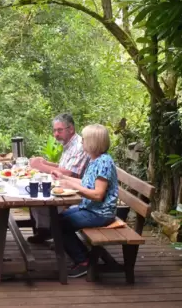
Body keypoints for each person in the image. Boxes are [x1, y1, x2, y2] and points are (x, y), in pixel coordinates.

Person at [51, 124, 119, 278]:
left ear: (93, 142)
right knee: (57, 219)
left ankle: (83, 262)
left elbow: (97, 195)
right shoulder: (95, 160)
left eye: (84, 140)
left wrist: (73, 188)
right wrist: (63, 178)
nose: (81, 142)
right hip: (91, 208)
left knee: (59, 225)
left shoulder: (104, 163)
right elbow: (85, 183)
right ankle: (84, 256)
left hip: (100, 213)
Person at [28, 113, 90, 244]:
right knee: (33, 196)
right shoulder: (69, 144)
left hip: (76, 192)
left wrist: (40, 166)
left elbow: (69, 173)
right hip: (66, 186)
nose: (56, 134)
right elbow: (63, 166)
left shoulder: (79, 146)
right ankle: (44, 232)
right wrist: (45, 163)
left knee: (38, 198)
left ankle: (52, 234)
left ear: (71, 129)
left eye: (59, 130)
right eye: (54, 130)